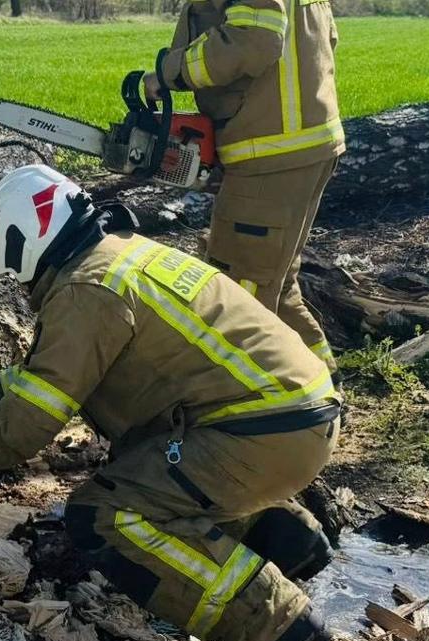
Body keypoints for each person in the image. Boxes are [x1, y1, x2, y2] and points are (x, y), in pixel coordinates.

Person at [0, 165, 341, 641]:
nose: (22, 289)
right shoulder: (119, 253)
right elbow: (64, 372)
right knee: (150, 465)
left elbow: (26, 427)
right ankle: (282, 538)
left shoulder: (86, 291)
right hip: (291, 417)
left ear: (25, 244)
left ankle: (270, 627)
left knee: (110, 515)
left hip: (258, 435)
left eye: (16, 276)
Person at [143, 0, 343, 369]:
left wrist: (168, 71)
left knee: (239, 294)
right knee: (274, 284)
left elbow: (255, 41)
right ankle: (322, 387)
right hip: (304, 144)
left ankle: (259, 408)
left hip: (270, 152)